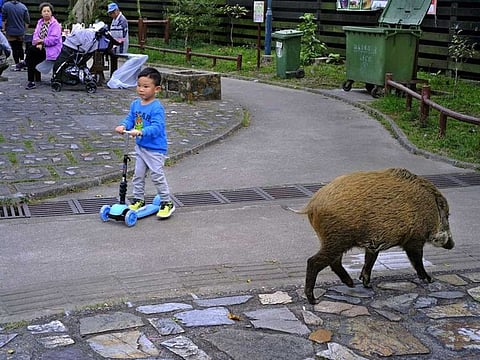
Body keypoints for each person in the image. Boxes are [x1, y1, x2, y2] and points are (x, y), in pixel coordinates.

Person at [114, 67, 175, 219]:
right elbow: (130, 119)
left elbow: (157, 127)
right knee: (138, 175)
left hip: (155, 149)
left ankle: (167, 202)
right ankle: (138, 199)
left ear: (157, 89)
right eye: (139, 85)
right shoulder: (135, 104)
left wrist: (141, 131)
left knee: (157, 176)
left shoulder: (156, 107)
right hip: (141, 147)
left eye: (146, 86)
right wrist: (124, 125)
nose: (141, 89)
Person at [24, 2, 61, 90]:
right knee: (32, 57)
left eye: (48, 11)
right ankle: (31, 82)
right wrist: (38, 43)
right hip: (39, 48)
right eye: (44, 11)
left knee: (30, 53)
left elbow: (54, 39)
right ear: (41, 13)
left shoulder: (55, 25)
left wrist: (42, 42)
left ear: (51, 12)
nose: (46, 13)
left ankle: (25, 63)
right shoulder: (40, 23)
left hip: (51, 49)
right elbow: (35, 35)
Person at [1, 0, 30, 68]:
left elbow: (4, 19)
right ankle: (22, 61)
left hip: (10, 31)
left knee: (14, 48)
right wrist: (24, 30)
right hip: (20, 31)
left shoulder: (5, 6)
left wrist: (4, 29)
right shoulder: (23, 7)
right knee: (20, 47)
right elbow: (27, 21)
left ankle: (17, 63)